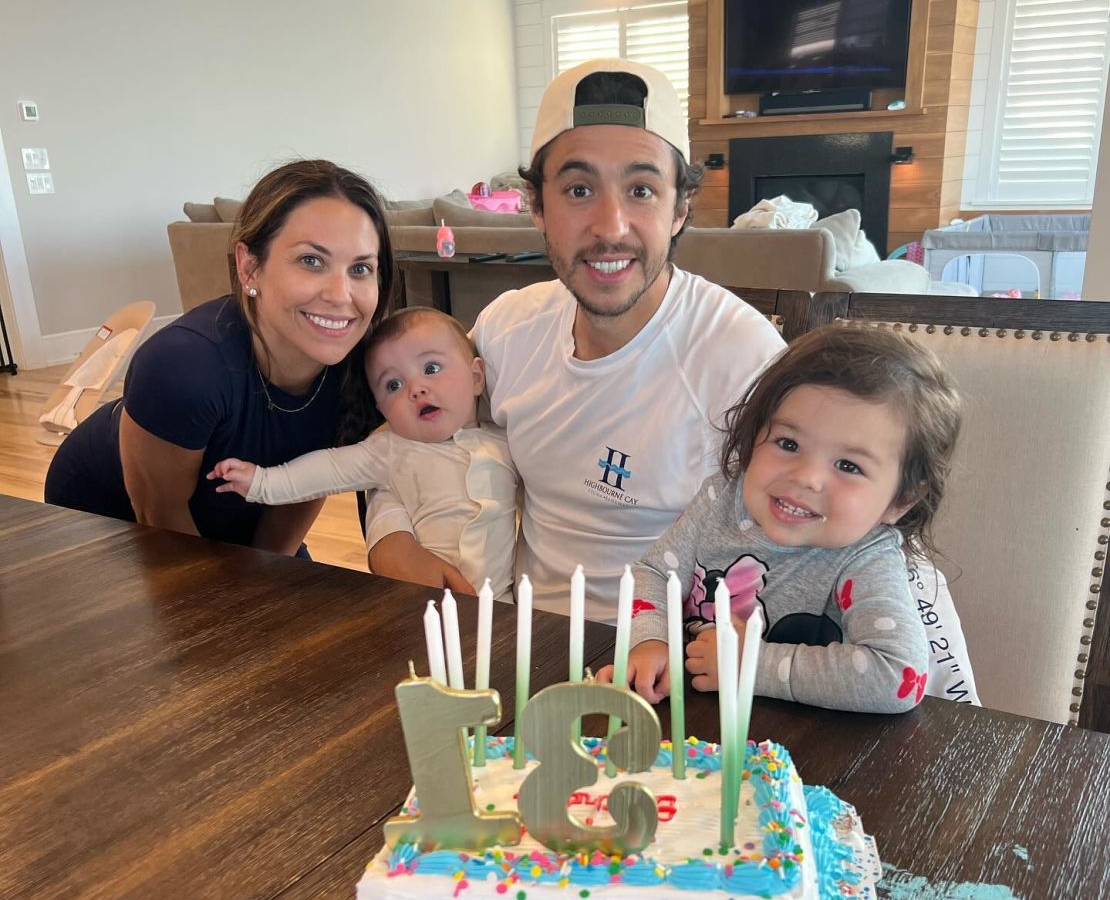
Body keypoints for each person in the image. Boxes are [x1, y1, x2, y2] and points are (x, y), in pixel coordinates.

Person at [365, 58, 786, 620]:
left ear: (680, 208)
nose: (610, 226)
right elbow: (409, 432)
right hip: (516, 640)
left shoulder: (742, 356)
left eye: (641, 189)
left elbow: (804, 533)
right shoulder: (506, 329)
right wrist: (388, 536)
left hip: (675, 665)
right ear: (536, 205)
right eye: (579, 189)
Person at [44, 159, 396, 555]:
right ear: (249, 267)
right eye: (311, 261)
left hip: (236, 516)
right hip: (106, 518)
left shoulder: (367, 370)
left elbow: (310, 483)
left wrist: (266, 579)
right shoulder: (185, 366)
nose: (340, 294)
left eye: (361, 268)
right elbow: (161, 514)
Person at [611, 324, 963, 713]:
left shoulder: (867, 559)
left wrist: (753, 666)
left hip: (812, 750)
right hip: (698, 727)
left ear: (901, 500)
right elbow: (655, 573)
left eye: (849, 465)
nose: (805, 477)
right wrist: (649, 641)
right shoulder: (722, 498)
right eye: (788, 443)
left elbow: (897, 677)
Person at [207, 307, 516, 596]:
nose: (416, 388)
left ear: (476, 377)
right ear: (382, 409)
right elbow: (328, 469)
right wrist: (261, 481)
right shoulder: (389, 451)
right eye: (393, 385)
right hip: (423, 603)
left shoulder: (506, 442)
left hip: (503, 602)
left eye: (431, 368)